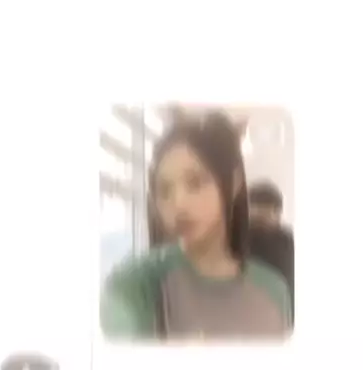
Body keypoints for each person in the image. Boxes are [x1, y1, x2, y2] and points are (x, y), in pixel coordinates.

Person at [100, 111, 292, 341]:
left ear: (233, 184)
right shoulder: (134, 286)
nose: (178, 204)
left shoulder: (274, 291)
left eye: (195, 182)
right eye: (164, 191)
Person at [248, 180, 294, 325]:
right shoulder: (238, 238)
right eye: (255, 208)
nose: (261, 216)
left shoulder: (287, 242)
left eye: (267, 210)